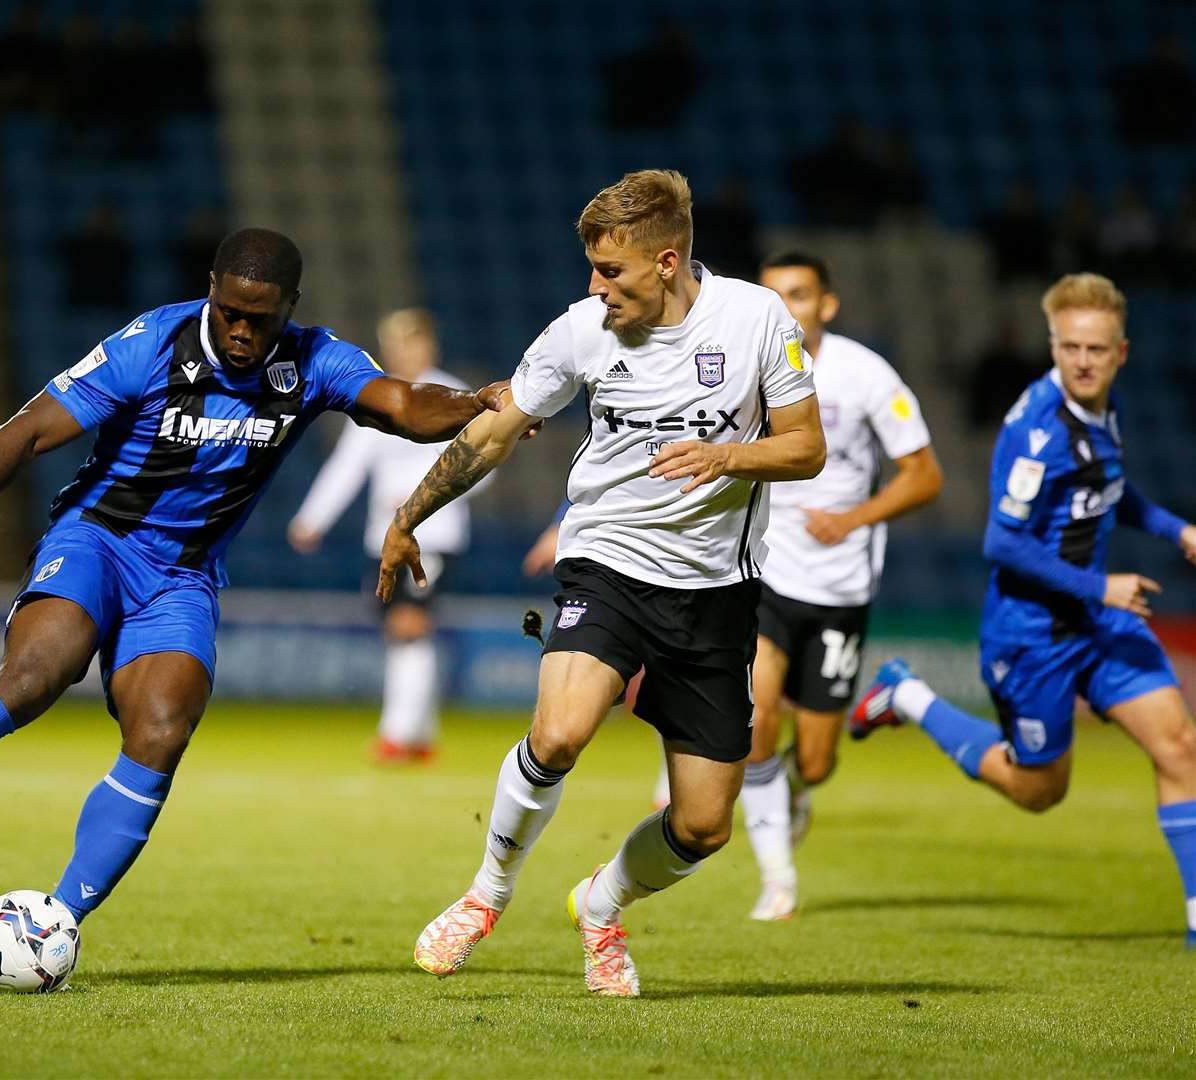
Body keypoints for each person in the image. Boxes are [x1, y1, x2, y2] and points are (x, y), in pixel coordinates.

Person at [0, 228, 509, 923]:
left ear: (290, 307)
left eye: (260, 319)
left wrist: (474, 402)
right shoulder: (152, 343)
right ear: (210, 292)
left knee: (161, 730)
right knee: (36, 675)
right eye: (228, 311)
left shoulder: (315, 360)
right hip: (99, 540)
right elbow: (35, 424)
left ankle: (57, 921)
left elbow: (405, 404)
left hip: (183, 575)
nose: (240, 331)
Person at [380, 170, 825, 996]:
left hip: (716, 590)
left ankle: (602, 902)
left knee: (701, 827)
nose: (595, 287)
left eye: (609, 272)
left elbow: (805, 448)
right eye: (591, 270)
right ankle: (486, 894)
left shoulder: (758, 320)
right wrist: (409, 514)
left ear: (665, 261)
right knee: (559, 733)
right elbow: (493, 433)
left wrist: (728, 454)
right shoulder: (580, 331)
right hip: (607, 563)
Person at [850, 272, 1196, 949]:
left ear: (1121, 352)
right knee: (1040, 791)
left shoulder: (1106, 408)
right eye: (1070, 348)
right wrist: (1101, 588)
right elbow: (1002, 542)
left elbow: (1108, 490)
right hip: (1033, 632)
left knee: (1179, 744)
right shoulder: (1039, 430)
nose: (1084, 361)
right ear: (1052, 346)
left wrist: (1173, 528)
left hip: (1096, 621)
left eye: (1096, 349)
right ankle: (909, 695)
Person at [735, 252, 941, 921]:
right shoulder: (742, 365)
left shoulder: (864, 374)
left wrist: (853, 518)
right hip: (764, 572)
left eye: (798, 295)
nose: (784, 308)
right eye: (773, 296)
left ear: (827, 305)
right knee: (757, 716)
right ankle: (777, 879)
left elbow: (923, 475)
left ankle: (796, 790)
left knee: (817, 760)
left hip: (839, 588)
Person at [288, 308, 479, 763]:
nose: (405, 352)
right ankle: (420, 734)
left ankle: (397, 733)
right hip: (384, 537)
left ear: (429, 344)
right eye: (396, 344)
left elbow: (483, 462)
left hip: (434, 533)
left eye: (413, 343)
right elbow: (347, 465)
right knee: (406, 632)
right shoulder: (379, 395)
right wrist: (313, 518)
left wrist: (426, 495)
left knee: (408, 626)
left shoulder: (454, 397)